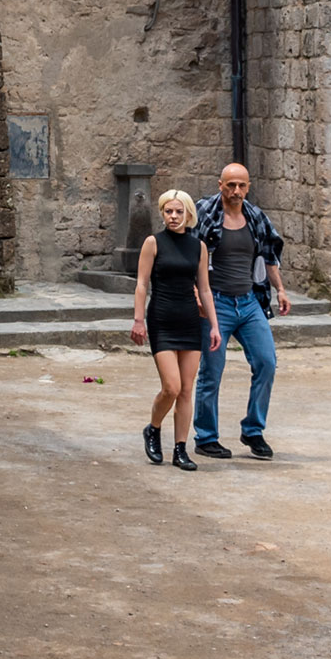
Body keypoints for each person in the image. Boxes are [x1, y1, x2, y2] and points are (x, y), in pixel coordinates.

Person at [193, 163, 286, 462]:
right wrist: (193, 291)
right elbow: (187, 252)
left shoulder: (255, 217)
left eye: (241, 186)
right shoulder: (204, 213)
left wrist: (281, 289)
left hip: (248, 303)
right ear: (220, 184)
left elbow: (269, 256)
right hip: (215, 303)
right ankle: (206, 437)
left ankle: (253, 430)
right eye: (230, 185)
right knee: (212, 372)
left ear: (248, 187)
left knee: (266, 362)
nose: (236, 191)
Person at [129, 188, 212, 472]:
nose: (173, 216)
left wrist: (214, 325)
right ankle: (153, 429)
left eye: (178, 212)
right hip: (162, 317)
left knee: (187, 390)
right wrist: (138, 320)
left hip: (190, 319)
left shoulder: (198, 247)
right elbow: (141, 284)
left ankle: (180, 449)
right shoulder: (153, 243)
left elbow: (204, 288)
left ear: (188, 214)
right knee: (172, 387)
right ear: (162, 213)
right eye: (168, 211)